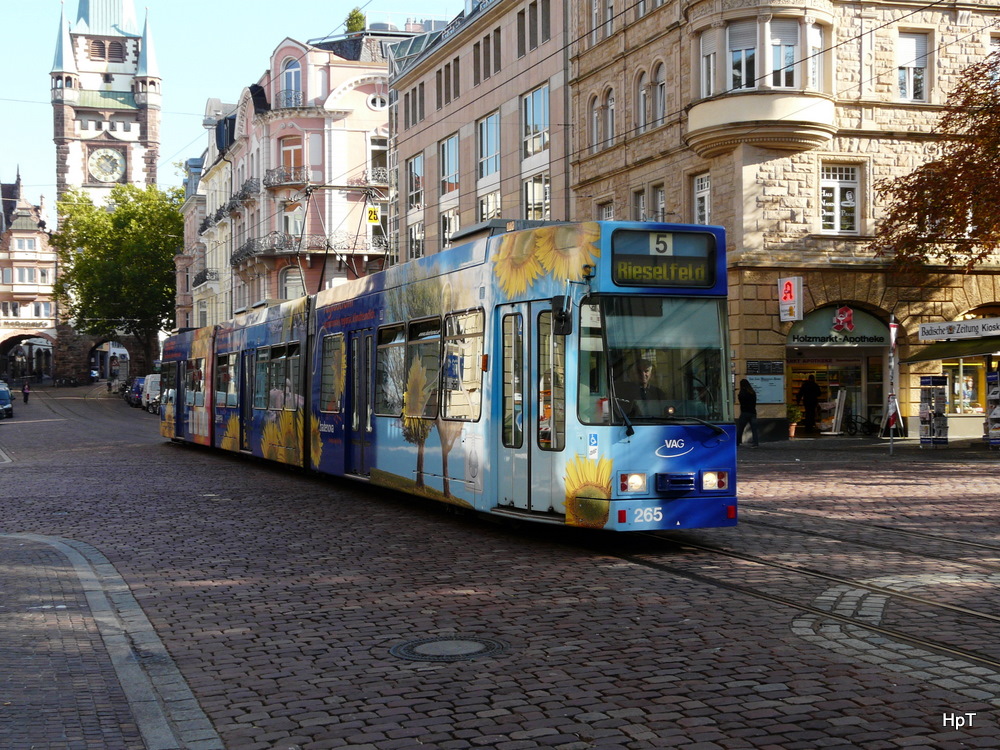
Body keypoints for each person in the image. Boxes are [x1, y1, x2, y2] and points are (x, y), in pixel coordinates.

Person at [736, 378, 759, 447]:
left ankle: (737, 442)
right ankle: (755, 443)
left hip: (745, 412)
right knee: (754, 429)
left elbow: (741, 402)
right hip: (752, 412)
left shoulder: (742, 393)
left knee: (740, 428)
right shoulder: (752, 392)